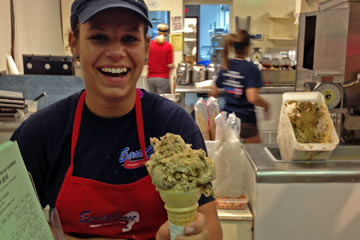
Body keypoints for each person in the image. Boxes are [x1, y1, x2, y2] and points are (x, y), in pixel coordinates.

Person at [10, 0, 222, 239]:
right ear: (74, 44)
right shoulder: (40, 134)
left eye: (130, 39)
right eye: (99, 37)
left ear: (146, 48)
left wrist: (198, 234)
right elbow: (12, 224)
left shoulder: (173, 127)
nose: (116, 53)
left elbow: (211, 226)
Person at [209, 29, 269, 143]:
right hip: (246, 120)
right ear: (247, 47)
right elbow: (252, 97)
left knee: (229, 155)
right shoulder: (251, 68)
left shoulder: (227, 65)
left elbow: (214, 92)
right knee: (255, 154)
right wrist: (266, 105)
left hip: (227, 118)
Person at [146, 23, 174, 94]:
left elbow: (146, 60)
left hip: (150, 78)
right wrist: (173, 67)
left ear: (157, 32)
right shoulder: (168, 46)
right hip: (163, 78)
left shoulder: (150, 45)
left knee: (152, 101)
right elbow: (169, 65)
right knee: (162, 102)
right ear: (167, 33)